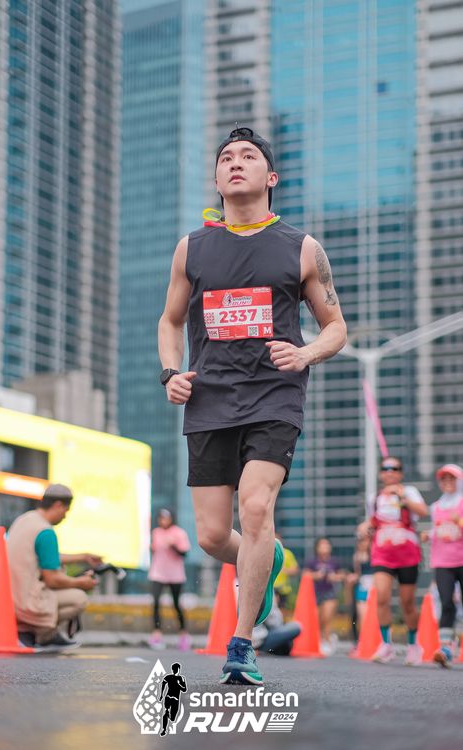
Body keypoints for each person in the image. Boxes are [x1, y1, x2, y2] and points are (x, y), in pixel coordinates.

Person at [158, 125, 347, 684]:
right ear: (217, 180)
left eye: (247, 156)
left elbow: (336, 327)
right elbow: (170, 321)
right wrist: (171, 372)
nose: (235, 162)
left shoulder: (302, 248)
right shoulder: (192, 247)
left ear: (272, 177)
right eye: (226, 158)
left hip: (274, 395)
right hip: (209, 398)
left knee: (257, 507)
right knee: (213, 536)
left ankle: (241, 644)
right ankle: (269, 559)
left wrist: (305, 353)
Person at [7, 483, 102, 649]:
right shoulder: (46, 532)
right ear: (58, 505)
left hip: (8, 597)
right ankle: (39, 634)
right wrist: (81, 583)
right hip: (25, 603)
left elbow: (43, 557)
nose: (65, 516)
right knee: (79, 599)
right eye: (66, 511)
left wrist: (84, 557)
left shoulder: (25, 520)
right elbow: (52, 579)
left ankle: (29, 631)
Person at [358, 456, 428, 665]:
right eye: (386, 468)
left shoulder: (409, 491)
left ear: (401, 473)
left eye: (394, 468)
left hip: (407, 554)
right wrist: (365, 528)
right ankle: (386, 645)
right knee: (381, 597)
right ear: (381, 473)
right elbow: (373, 522)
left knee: (407, 603)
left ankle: (413, 645)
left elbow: (423, 512)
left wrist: (402, 496)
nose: (390, 472)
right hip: (382, 553)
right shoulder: (374, 498)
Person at [427, 464, 463, 667]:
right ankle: (446, 648)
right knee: (446, 603)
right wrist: (428, 535)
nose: (447, 482)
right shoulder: (436, 507)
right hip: (442, 562)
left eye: (452, 478)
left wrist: (460, 522)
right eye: (444, 479)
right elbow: (438, 531)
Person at [148, 508, 191, 651]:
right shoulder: (156, 533)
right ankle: (157, 634)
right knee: (156, 603)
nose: (163, 521)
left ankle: (183, 634)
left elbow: (184, 553)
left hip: (175, 574)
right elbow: (154, 549)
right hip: (158, 573)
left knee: (176, 604)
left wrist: (173, 546)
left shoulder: (179, 533)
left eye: (166, 518)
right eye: (161, 518)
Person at [303, 537, 347, 655]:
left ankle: (327, 640)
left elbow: (342, 575)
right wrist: (316, 575)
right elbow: (305, 574)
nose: (324, 547)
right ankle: (320, 639)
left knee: (327, 617)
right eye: (322, 545)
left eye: (326, 545)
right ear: (317, 548)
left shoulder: (334, 561)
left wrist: (335, 577)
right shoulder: (312, 562)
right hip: (315, 593)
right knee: (318, 619)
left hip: (330, 592)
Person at [159, 662, 187, 737]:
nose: (175, 670)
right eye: (174, 669)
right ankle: (164, 729)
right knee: (166, 712)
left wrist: (178, 684)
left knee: (172, 718)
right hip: (170, 698)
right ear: (173, 669)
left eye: (176, 669)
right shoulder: (169, 677)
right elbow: (163, 684)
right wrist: (161, 695)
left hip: (173, 699)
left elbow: (184, 689)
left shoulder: (181, 678)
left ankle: (168, 715)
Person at [273, 532, 299, 613]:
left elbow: (295, 570)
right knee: (272, 610)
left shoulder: (287, 553)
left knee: (282, 611)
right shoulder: (265, 553)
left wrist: (283, 570)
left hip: (283, 589)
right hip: (271, 588)